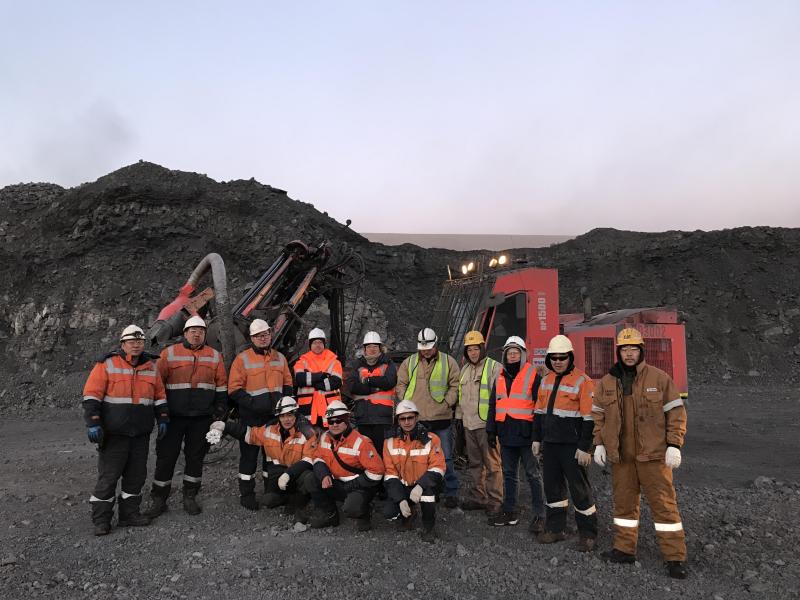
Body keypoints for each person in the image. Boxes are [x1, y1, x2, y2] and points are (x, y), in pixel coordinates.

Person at [593, 327, 688, 579]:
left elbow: (676, 413)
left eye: (633, 349)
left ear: (641, 351)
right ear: (618, 352)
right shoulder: (607, 382)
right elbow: (598, 416)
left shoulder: (659, 378)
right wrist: (599, 443)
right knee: (624, 505)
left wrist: (674, 444)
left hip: (653, 456)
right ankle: (624, 550)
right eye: (624, 349)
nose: (629, 354)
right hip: (622, 457)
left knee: (664, 506)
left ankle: (675, 557)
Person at [81, 324, 169, 535]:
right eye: (131, 342)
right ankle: (101, 520)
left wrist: (163, 418)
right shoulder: (107, 364)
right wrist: (93, 422)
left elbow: (159, 396)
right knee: (109, 477)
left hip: (140, 434)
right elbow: (92, 395)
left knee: (135, 477)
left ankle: (129, 515)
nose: (136, 345)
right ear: (123, 344)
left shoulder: (151, 367)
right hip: (114, 434)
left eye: (139, 341)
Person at [146, 316, 227, 518]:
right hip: (173, 417)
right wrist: (160, 413)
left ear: (205, 334)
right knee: (166, 457)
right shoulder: (169, 354)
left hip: (201, 418)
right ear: (185, 333)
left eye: (201, 331)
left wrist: (220, 411)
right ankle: (159, 498)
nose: (197, 334)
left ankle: (190, 496)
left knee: (195, 458)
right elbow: (157, 385)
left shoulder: (214, 356)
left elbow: (221, 385)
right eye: (193, 331)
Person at [532, 335, 598, 550]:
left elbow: (589, 418)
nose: (558, 361)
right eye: (554, 358)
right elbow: (539, 413)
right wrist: (536, 439)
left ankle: (588, 534)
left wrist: (585, 447)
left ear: (570, 357)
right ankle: (555, 528)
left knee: (580, 490)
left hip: (572, 446)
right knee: (553, 489)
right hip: (551, 444)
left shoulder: (583, 381)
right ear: (549, 359)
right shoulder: (546, 380)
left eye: (562, 357)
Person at [208, 396, 316, 521]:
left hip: (297, 473)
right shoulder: (270, 429)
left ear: (295, 414)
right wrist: (224, 426)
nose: (286, 419)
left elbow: (309, 459)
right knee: (268, 500)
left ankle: (299, 501)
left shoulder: (307, 432)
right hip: (280, 474)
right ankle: (286, 497)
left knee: (308, 478)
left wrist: (289, 474)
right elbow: (250, 434)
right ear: (278, 417)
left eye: (290, 415)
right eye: (282, 416)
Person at [228, 319, 293, 510]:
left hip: (273, 418)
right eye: (258, 336)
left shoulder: (280, 358)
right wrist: (253, 404)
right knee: (248, 457)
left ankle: (270, 492)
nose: (262, 338)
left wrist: (285, 406)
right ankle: (247, 495)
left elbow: (288, 384)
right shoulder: (242, 359)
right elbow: (234, 389)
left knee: (271, 457)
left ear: (271, 335)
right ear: (252, 338)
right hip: (251, 418)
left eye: (265, 334)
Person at [485, 336, 546, 531]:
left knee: (533, 475)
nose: (512, 356)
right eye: (509, 353)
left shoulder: (533, 376)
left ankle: (540, 515)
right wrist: (490, 430)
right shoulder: (500, 377)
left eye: (515, 353)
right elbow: (493, 405)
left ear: (522, 355)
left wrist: (538, 436)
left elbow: (540, 408)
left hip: (527, 435)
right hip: (506, 434)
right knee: (509, 474)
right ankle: (509, 511)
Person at [395, 328, 461, 508]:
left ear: (435, 345)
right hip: (419, 420)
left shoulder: (449, 362)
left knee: (446, 457)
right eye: (423, 348)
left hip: (441, 418)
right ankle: (429, 489)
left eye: (429, 348)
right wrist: (407, 404)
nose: (426, 351)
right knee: (421, 458)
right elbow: (400, 384)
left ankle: (451, 492)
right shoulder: (410, 362)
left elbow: (455, 385)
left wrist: (447, 402)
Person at [306, 401, 385, 531]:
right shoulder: (325, 437)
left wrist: (352, 485)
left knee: (352, 508)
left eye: (339, 420)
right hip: (337, 483)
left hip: (359, 486)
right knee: (310, 479)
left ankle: (364, 512)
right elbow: (318, 457)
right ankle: (330, 515)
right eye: (331, 421)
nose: (334, 424)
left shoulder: (361, 442)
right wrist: (324, 475)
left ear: (346, 420)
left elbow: (377, 472)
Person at [382, 400, 446, 542]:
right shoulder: (389, 442)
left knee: (428, 496)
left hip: (424, 485)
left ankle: (428, 527)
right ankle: (409, 515)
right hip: (403, 486)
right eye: (403, 419)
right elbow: (390, 474)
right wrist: (400, 499)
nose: (407, 422)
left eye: (410, 417)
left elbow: (438, 467)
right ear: (398, 420)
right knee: (389, 512)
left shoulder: (432, 439)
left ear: (416, 417)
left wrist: (420, 486)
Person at [456, 330, 503, 514]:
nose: (473, 353)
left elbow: (500, 399)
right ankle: (479, 496)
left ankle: (495, 500)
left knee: (492, 464)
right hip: (469, 424)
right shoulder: (465, 370)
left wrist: (495, 426)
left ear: (482, 348)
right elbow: (461, 397)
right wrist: (459, 420)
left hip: (486, 426)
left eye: (476, 349)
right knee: (475, 464)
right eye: (469, 350)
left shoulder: (494, 367)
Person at [347, 331, 397, 454]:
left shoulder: (388, 363)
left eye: (375, 346)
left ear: (380, 348)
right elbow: (352, 386)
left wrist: (368, 380)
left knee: (382, 452)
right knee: (366, 453)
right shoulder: (357, 364)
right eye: (369, 346)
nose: (372, 349)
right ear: (364, 348)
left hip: (382, 417)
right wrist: (375, 388)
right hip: (363, 417)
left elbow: (389, 381)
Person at [293, 328, 343, 428]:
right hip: (308, 409)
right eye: (314, 342)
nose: (317, 345)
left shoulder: (334, 361)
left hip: (330, 408)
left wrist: (312, 381)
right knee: (309, 435)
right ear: (310, 345)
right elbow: (299, 379)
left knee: (330, 435)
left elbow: (336, 382)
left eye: (320, 342)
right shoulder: (302, 361)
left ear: (324, 344)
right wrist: (322, 376)